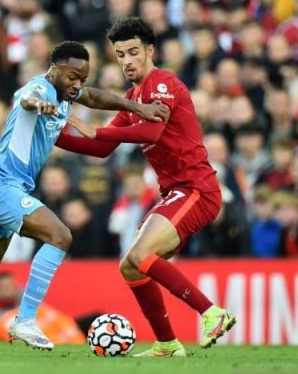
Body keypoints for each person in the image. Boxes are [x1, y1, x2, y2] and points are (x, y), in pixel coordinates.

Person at [0, 40, 170, 353]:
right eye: (72, 77)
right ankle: (26, 319)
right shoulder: (39, 89)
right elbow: (27, 99)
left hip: (2, 186)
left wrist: (137, 107)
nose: (77, 84)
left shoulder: (67, 91)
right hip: (1, 187)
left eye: (82, 78)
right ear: (53, 69)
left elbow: (93, 96)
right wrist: (39, 104)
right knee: (60, 236)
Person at [62, 18, 236, 357]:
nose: (127, 61)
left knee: (140, 256)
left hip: (196, 188)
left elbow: (150, 132)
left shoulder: (162, 83)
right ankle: (167, 343)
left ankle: (212, 313)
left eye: (133, 52)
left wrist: (96, 129)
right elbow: (102, 149)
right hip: (176, 192)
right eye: (120, 55)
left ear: (150, 51)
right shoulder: (132, 97)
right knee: (130, 265)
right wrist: (54, 137)